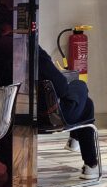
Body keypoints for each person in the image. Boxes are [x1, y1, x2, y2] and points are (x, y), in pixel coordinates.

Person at [38, 46, 99, 179]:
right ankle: (90, 164)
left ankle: (86, 158)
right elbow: (62, 88)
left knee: (86, 104)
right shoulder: (36, 54)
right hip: (51, 118)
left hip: (17, 117)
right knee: (81, 87)